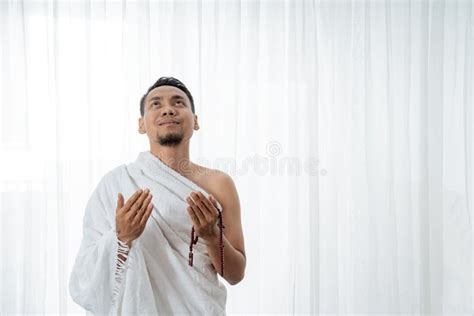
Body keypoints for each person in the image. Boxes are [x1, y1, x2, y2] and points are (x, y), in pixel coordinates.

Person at [68, 76, 246, 315]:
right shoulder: (116, 185)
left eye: (179, 103)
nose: (168, 109)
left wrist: (211, 235)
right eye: (156, 104)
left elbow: (235, 275)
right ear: (141, 124)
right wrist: (121, 239)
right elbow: (85, 277)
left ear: (195, 121)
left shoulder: (219, 184)